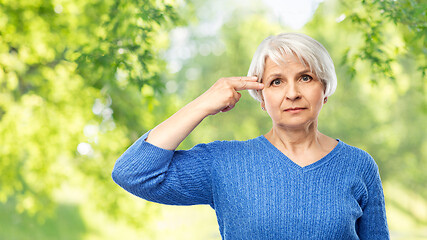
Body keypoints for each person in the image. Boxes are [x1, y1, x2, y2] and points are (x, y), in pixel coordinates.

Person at [112, 33, 389, 239]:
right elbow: (133, 173)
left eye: (305, 77)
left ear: (324, 90)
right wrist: (204, 103)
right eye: (276, 81)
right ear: (261, 97)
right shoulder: (224, 163)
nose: (292, 93)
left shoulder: (359, 165)